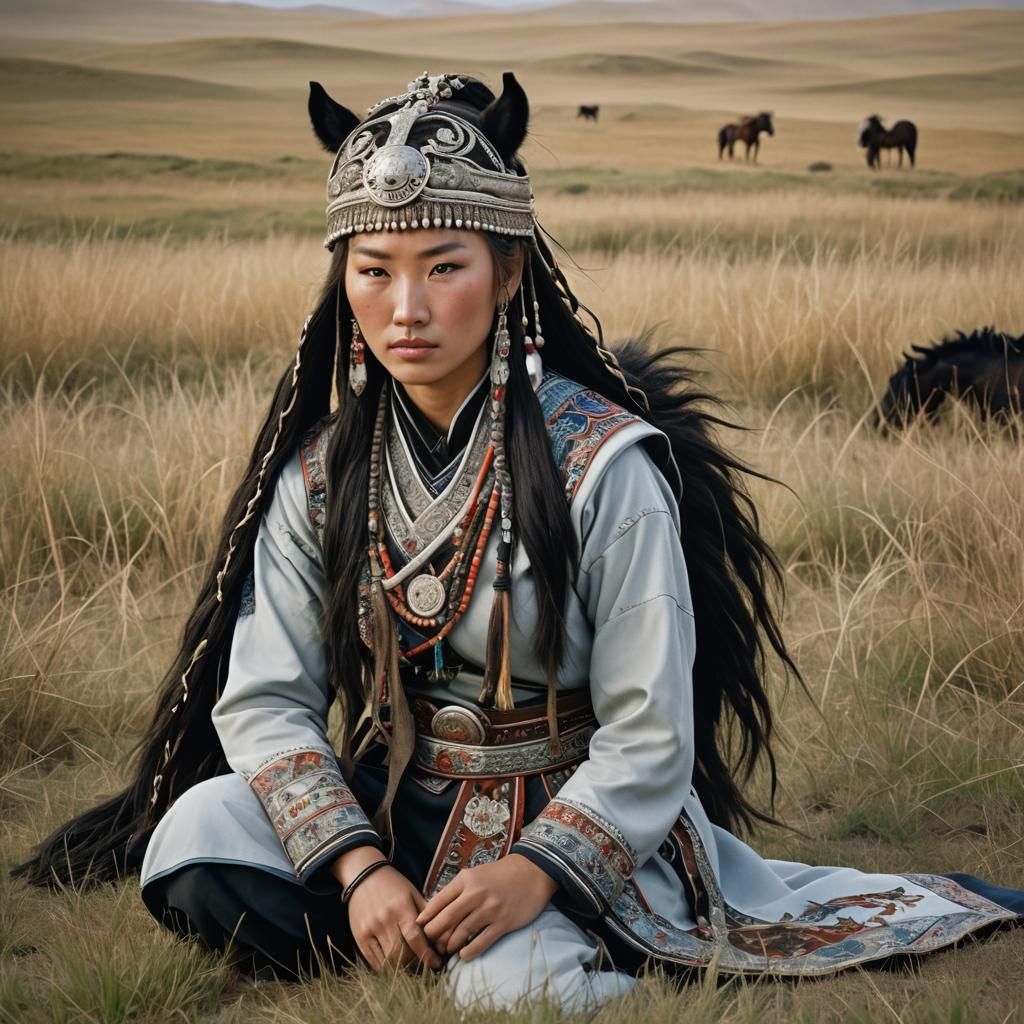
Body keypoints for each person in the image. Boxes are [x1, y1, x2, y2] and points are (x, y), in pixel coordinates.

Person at [16, 71, 1022, 1012]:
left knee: (505, 994)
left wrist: (535, 867)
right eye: (375, 270)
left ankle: (540, 932)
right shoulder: (319, 473)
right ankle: (397, 924)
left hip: (574, 813)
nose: (403, 308)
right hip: (386, 808)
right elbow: (268, 701)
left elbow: (650, 733)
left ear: (506, 275)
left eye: (442, 267)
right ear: (345, 278)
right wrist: (358, 867)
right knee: (190, 840)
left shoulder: (604, 464)